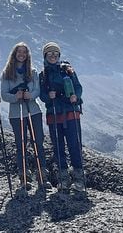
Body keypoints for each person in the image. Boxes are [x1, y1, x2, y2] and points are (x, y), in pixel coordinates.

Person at [0, 42, 52, 192]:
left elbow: (37, 90)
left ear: (27, 55)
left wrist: (30, 95)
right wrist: (16, 96)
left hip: (33, 110)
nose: (21, 54)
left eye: (24, 52)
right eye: (19, 52)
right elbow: (4, 95)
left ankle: (42, 175)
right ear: (14, 54)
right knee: (20, 143)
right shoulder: (7, 73)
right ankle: (24, 176)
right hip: (17, 113)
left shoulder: (33, 72)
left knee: (38, 141)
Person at [38, 41, 85, 192]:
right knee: (58, 147)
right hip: (55, 114)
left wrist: (75, 97)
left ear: (59, 55)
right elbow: (42, 95)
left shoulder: (68, 70)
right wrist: (48, 96)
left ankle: (78, 176)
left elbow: (77, 87)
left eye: (55, 53)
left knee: (74, 145)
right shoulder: (43, 75)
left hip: (70, 112)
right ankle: (64, 176)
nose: (53, 56)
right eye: (50, 53)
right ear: (45, 55)